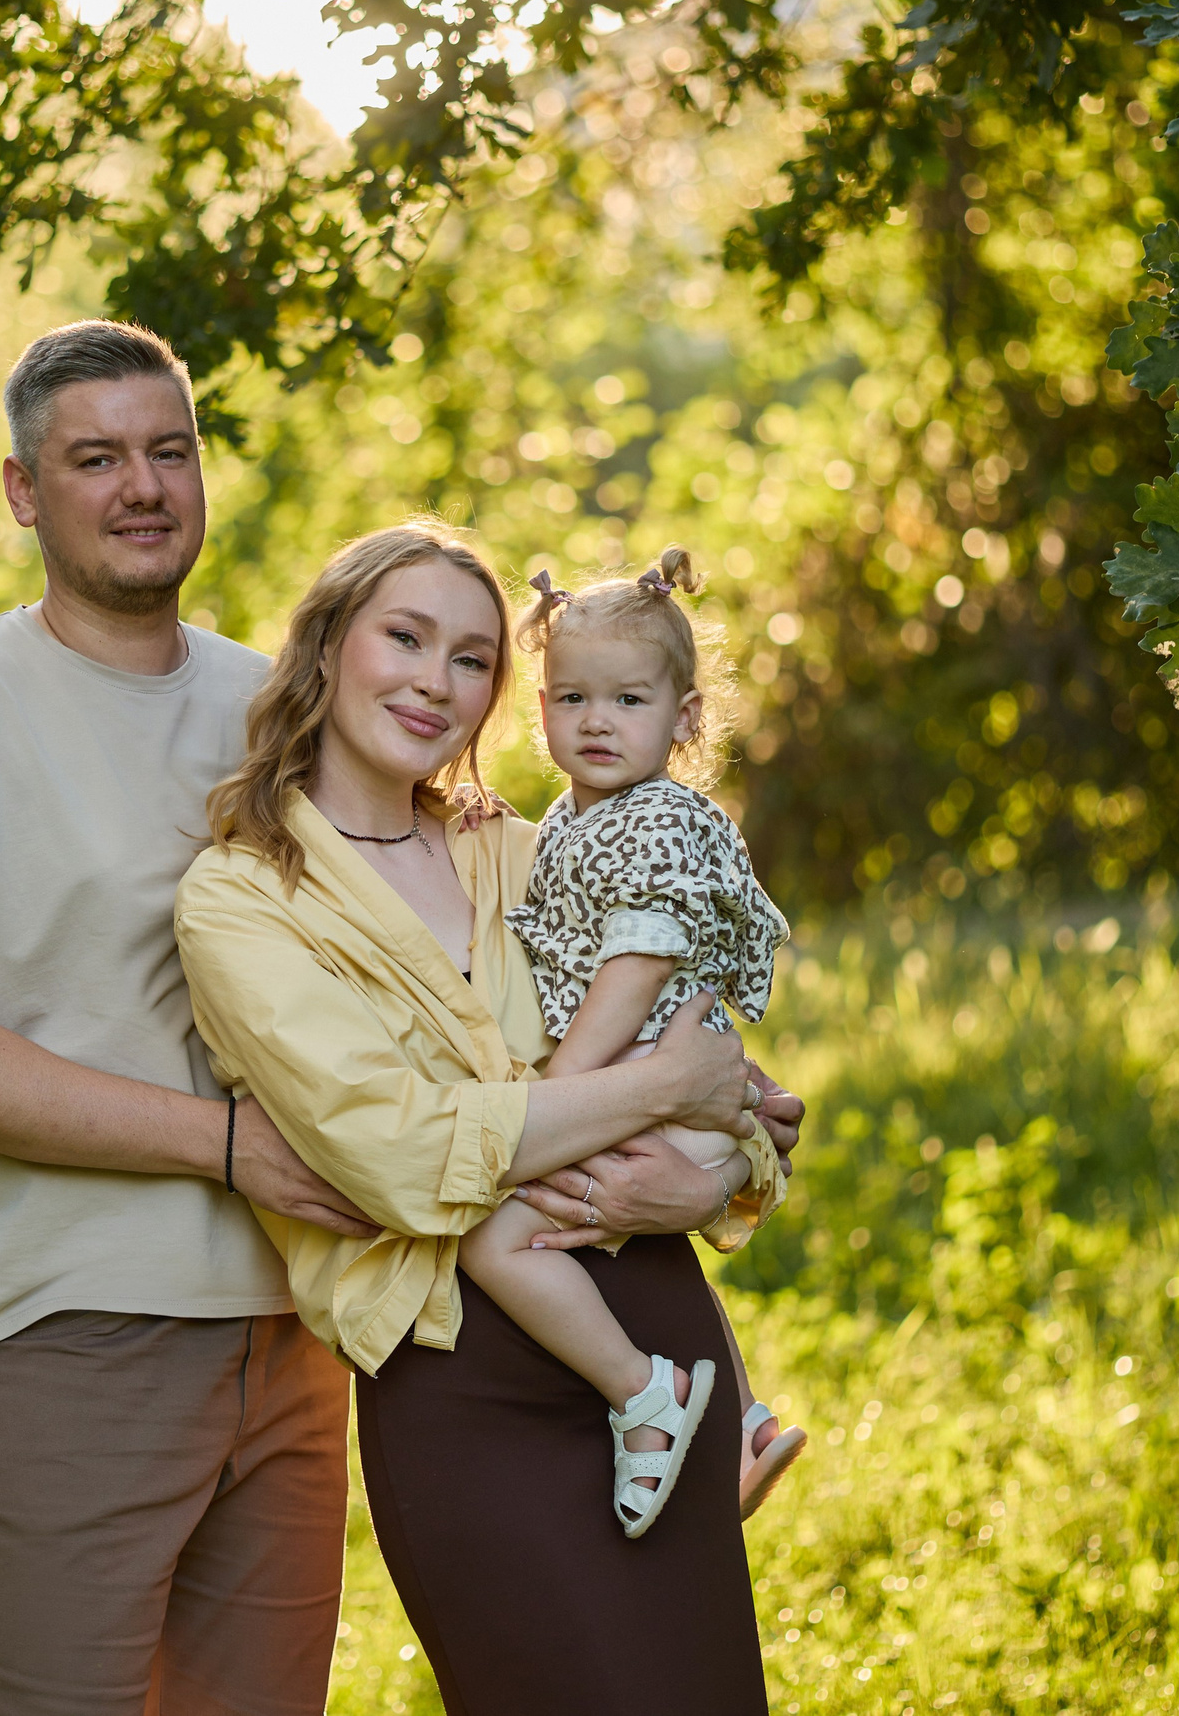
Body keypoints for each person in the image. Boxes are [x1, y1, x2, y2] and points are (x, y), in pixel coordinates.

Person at [0, 320, 385, 1716]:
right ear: (22, 492)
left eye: (168, 451)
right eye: (96, 457)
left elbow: (427, 952)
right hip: (53, 1338)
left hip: (291, 1334)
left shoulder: (278, 708)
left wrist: (678, 1073)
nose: (141, 485)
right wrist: (222, 1146)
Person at [173, 521, 785, 1716]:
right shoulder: (242, 897)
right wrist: (655, 1097)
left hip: (658, 1336)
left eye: (470, 659)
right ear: (324, 646)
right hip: (458, 1363)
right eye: (404, 636)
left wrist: (718, 1175)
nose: (433, 680)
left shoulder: (535, 846)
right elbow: (397, 1154)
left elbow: (718, 1061)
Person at [456, 547, 809, 1535]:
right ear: (539, 710)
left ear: (684, 719)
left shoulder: (650, 819)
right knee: (643, 1256)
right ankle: (743, 1418)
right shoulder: (578, 817)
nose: (596, 720)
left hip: (647, 1085)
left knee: (498, 1235)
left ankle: (642, 1394)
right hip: (670, 1091)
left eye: (626, 698)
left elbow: (638, 965)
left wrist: (557, 1092)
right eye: (571, 697)